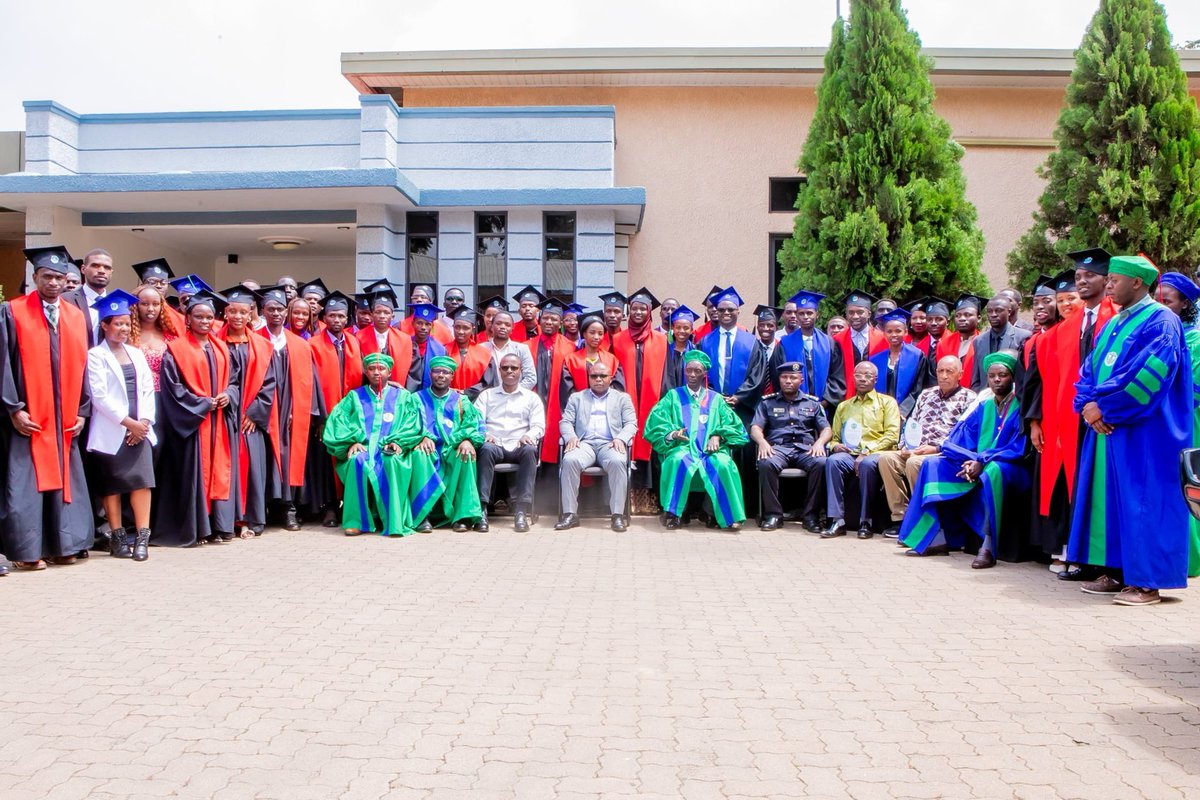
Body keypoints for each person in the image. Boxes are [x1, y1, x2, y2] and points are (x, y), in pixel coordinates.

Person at [1068, 255, 1191, 606]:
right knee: (1114, 500)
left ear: (1137, 283)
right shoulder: (1115, 323)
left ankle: (1148, 583)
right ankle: (1119, 571)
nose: (1108, 285)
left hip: (1148, 432)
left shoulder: (1162, 322)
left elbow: (1145, 379)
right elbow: (1088, 372)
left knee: (1145, 502)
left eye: (1114, 279)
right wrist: (1088, 406)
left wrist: (1102, 408)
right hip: (1110, 426)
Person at [0, 246, 93, 571]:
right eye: (47, 277)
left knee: (65, 482)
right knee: (25, 484)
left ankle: (61, 546)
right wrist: (13, 408)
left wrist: (82, 410)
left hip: (65, 418)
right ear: (35, 277)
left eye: (60, 277)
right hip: (29, 418)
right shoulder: (13, 312)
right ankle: (27, 551)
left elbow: (84, 366)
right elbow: (3, 365)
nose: (54, 283)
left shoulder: (76, 316)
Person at [899, 351, 1029, 569]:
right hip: (977, 461)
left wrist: (982, 461)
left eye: (1003, 375)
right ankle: (936, 537)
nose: (997, 380)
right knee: (933, 464)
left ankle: (987, 546)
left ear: (1013, 378)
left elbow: (1018, 448)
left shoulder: (1020, 407)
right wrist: (970, 460)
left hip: (1010, 467)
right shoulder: (984, 406)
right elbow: (959, 439)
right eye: (992, 376)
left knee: (992, 471)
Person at [1035, 249, 1118, 581]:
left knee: (1100, 488)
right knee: (1075, 487)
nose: (1082, 282)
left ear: (1106, 280)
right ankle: (1078, 553)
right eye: (1078, 277)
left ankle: (1101, 561)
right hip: (1070, 420)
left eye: (1090, 276)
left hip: (1105, 417)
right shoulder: (1066, 327)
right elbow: (1049, 379)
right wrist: (1039, 420)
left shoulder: (1117, 317)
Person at [152, 290, 238, 547]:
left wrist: (227, 395)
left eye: (209, 317)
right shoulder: (175, 350)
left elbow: (234, 381)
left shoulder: (221, 347)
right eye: (198, 316)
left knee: (220, 472)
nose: (204, 321)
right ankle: (197, 528)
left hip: (218, 423)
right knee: (196, 475)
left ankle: (219, 526)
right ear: (187, 318)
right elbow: (173, 389)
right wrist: (202, 404)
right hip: (193, 426)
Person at [322, 353, 433, 537]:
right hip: (364, 448)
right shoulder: (355, 397)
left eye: (381, 369)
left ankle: (393, 522)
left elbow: (413, 424)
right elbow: (337, 422)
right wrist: (352, 442)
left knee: (391, 461)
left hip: (391, 448)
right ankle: (356, 522)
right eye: (372, 369)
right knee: (356, 461)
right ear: (366, 372)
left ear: (389, 372)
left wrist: (398, 442)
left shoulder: (403, 396)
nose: (376, 372)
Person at [86, 289, 156, 561]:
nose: (124, 328)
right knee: (112, 485)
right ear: (104, 325)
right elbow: (99, 396)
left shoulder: (136, 353)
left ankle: (141, 538)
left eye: (127, 323)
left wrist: (144, 423)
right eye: (117, 323)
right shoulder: (95, 355)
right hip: (112, 427)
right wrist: (128, 423)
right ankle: (117, 539)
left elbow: (148, 389)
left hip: (140, 428)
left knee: (142, 483)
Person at [645, 351, 748, 530]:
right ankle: (675, 513)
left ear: (704, 374)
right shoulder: (673, 396)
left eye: (697, 371)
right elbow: (655, 424)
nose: (692, 374)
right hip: (682, 448)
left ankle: (715, 514)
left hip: (711, 452)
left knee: (723, 464)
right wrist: (672, 434)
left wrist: (719, 436)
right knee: (677, 461)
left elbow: (738, 430)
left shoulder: (716, 400)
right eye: (689, 370)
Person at [876, 356, 976, 539]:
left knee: (915, 463)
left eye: (949, 372)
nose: (944, 376)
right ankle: (901, 518)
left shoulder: (969, 398)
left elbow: (963, 435)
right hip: (916, 447)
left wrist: (936, 448)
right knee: (886, 459)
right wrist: (906, 445)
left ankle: (923, 520)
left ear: (960, 375)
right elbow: (913, 422)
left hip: (943, 452)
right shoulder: (926, 393)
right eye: (940, 371)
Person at [216, 285, 276, 538]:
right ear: (225, 313)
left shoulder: (263, 345)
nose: (238, 316)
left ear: (251, 313)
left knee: (251, 467)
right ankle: (224, 521)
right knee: (223, 466)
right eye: (233, 312)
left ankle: (251, 518)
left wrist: (253, 413)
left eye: (243, 312)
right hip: (223, 414)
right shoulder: (215, 342)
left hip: (250, 416)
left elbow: (270, 382)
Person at [259, 285, 320, 531]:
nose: (276, 313)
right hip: (262, 413)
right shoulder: (255, 340)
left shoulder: (299, 345)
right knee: (263, 460)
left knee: (288, 459)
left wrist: (299, 410)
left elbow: (309, 383)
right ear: (263, 311)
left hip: (289, 412)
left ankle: (288, 509)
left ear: (286, 312)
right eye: (271, 309)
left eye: (280, 309)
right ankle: (261, 510)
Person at [821, 361, 900, 539]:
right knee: (833, 461)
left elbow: (892, 436)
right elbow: (834, 439)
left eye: (867, 376)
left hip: (877, 452)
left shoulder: (887, 403)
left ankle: (866, 521)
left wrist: (867, 450)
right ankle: (837, 520)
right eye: (858, 375)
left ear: (875, 379)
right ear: (853, 378)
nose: (862, 379)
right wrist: (836, 446)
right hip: (850, 453)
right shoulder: (844, 406)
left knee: (866, 465)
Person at [555, 361, 638, 532]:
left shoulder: (622, 398)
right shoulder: (577, 398)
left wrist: (621, 439)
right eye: (594, 376)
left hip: (610, 443)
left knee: (617, 462)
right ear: (589, 378)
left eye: (602, 376)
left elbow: (631, 423)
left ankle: (617, 515)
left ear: (611, 378)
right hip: (584, 444)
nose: (598, 379)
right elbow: (565, 422)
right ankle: (570, 514)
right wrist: (570, 437)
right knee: (569, 460)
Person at [749, 361, 830, 532]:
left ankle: (811, 516)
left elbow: (826, 429)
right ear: (779, 379)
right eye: (784, 377)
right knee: (766, 462)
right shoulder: (767, 403)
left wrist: (819, 443)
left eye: (793, 377)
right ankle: (773, 515)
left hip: (806, 449)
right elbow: (755, 427)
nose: (788, 381)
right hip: (778, 449)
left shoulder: (812, 403)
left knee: (821, 463)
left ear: (801, 380)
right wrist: (762, 442)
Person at [306, 291, 362, 527]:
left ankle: (348, 505)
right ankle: (329, 507)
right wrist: (319, 417)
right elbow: (309, 382)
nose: (336, 320)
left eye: (341, 316)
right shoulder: (313, 344)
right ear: (324, 317)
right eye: (332, 315)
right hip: (325, 413)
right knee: (325, 462)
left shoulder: (353, 342)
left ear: (347, 318)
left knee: (348, 457)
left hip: (349, 414)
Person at [1158, 271, 1200, 577]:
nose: (1161, 304)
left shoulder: (1195, 339)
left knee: (1186, 483)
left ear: (1185, 303)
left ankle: (1190, 558)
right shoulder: (1158, 330)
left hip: (1188, 419)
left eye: (1168, 300)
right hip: (1160, 419)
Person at [475, 352, 546, 532]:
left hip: (518, 444)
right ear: (499, 371)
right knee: (486, 449)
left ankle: (521, 510)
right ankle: (481, 509)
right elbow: (476, 421)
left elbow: (539, 425)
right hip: (495, 443)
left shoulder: (531, 397)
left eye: (514, 368)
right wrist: (484, 433)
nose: (509, 371)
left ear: (521, 371)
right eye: (505, 368)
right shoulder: (487, 395)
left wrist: (529, 435)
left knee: (530, 450)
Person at [413, 356, 485, 532]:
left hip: (453, 447)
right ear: (430, 374)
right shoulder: (416, 398)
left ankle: (462, 516)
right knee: (419, 455)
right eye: (437, 371)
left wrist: (467, 440)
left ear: (452, 376)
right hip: (427, 447)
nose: (441, 375)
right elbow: (407, 425)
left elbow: (474, 425)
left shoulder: (461, 400)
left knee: (465, 455)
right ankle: (423, 515)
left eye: (446, 372)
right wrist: (420, 437)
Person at [612, 287, 669, 498]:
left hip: (652, 401)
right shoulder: (618, 339)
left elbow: (666, 373)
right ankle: (627, 496)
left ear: (649, 313)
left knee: (650, 441)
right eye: (634, 309)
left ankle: (649, 497)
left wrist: (663, 401)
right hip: (626, 399)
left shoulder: (661, 340)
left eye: (642, 309)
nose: (638, 313)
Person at [698, 286, 762, 417]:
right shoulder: (705, 342)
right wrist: (714, 396)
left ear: (738, 311)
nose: (726, 312)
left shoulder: (751, 342)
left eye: (730, 309)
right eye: (721, 310)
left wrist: (738, 397)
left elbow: (756, 375)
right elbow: (700, 374)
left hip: (742, 408)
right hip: (712, 406)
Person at [525, 299, 574, 467]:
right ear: (539, 318)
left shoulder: (570, 347)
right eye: (545, 318)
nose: (549, 322)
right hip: (533, 402)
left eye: (554, 319)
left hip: (558, 405)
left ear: (560, 322)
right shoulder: (527, 346)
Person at [773, 291, 834, 404]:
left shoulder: (829, 342)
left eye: (809, 313)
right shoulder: (784, 343)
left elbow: (836, 375)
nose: (805, 317)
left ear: (817, 314)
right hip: (792, 405)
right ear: (796, 315)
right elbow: (777, 374)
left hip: (824, 405)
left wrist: (826, 401)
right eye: (801, 313)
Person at [827, 291, 887, 405]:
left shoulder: (882, 339)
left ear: (869, 314)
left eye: (860, 312)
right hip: (845, 399)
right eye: (851, 312)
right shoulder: (837, 340)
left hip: (876, 399)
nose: (855, 316)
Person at [870, 308, 931, 418]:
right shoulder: (875, 359)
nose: (894, 335)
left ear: (906, 332)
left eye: (898, 331)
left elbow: (918, 388)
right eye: (889, 331)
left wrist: (902, 411)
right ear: (884, 333)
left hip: (907, 413)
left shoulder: (917, 356)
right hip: (880, 413)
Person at [969, 295, 1031, 392]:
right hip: (985, 399)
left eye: (998, 310)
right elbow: (976, 378)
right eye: (989, 311)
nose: (993, 314)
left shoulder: (1023, 337)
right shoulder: (979, 340)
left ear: (1009, 312)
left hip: (1012, 398)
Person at [356, 284, 413, 386]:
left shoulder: (405, 340)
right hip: (368, 392)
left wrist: (403, 393)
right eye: (378, 312)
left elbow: (412, 373)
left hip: (397, 393)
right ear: (372, 314)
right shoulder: (358, 338)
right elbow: (358, 369)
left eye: (386, 312)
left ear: (392, 316)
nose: (382, 316)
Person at [131, 284, 179, 391]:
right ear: (135, 305)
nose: (151, 309)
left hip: (166, 397)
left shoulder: (171, 338)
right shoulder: (127, 336)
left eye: (156, 304)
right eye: (144, 304)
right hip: (137, 395)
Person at [62, 248, 113, 348]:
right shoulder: (66, 300)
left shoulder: (117, 301)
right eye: (95, 266)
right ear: (83, 269)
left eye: (106, 267)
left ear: (111, 272)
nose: (102, 271)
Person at [563, 314, 624, 395]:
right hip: (579, 405)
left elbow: (617, 388)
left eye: (600, 333)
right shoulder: (571, 360)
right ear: (584, 334)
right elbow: (567, 390)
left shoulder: (612, 359)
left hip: (606, 406)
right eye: (592, 332)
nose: (596, 337)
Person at [934, 294, 985, 389]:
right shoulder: (944, 344)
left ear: (979, 318)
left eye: (968, 315)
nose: (962, 318)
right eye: (958, 315)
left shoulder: (984, 343)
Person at [444, 308, 494, 399]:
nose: (460, 332)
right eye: (457, 327)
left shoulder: (485, 354)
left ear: (473, 329)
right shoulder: (443, 350)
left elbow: (487, 383)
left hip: (475, 402)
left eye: (465, 328)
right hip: (447, 400)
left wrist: (466, 393)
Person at [482, 310, 536, 390]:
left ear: (512, 329)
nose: (503, 327)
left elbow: (531, 378)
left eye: (507, 325)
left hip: (515, 399)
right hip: (489, 398)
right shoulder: (482, 348)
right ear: (492, 326)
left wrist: (512, 393)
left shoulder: (522, 349)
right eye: (498, 323)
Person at [404, 303, 448, 391]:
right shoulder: (404, 345)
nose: (423, 327)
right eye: (419, 323)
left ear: (432, 326)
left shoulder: (441, 351)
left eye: (427, 324)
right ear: (413, 323)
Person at [662, 305, 698, 392]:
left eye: (686, 328)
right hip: (668, 398)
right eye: (678, 327)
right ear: (673, 328)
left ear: (691, 330)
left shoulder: (696, 352)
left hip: (689, 399)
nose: (681, 331)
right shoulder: (664, 351)